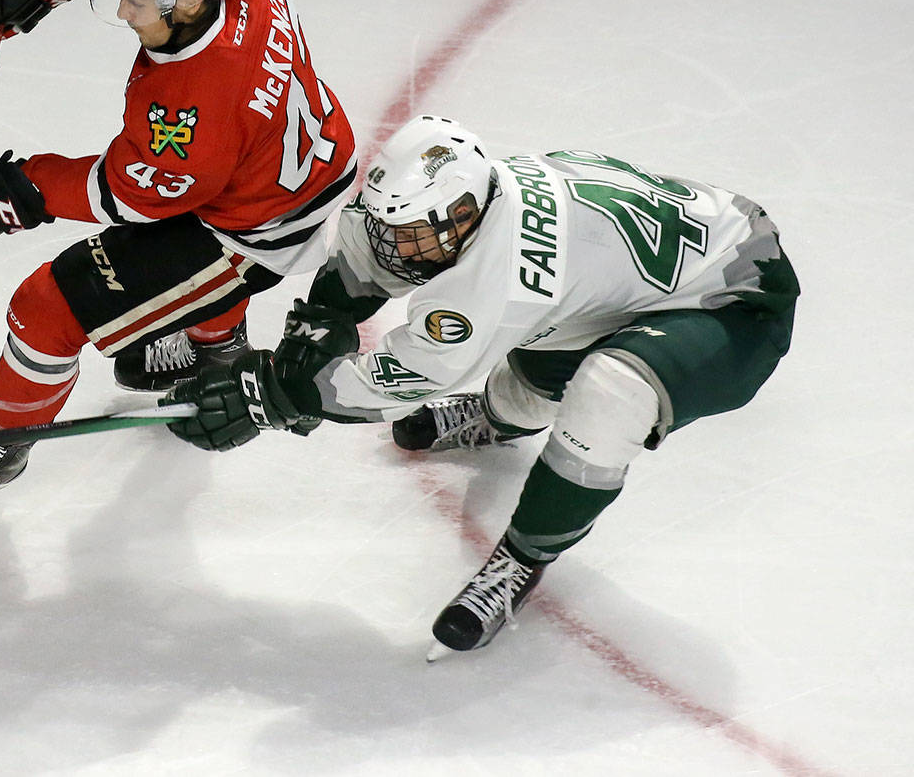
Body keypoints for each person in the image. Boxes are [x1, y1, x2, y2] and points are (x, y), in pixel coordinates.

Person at [164, 114, 799, 658]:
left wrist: (280, 395)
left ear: (463, 214)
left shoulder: (502, 272)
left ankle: (524, 556)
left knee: (610, 390)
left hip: (739, 299)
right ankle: (502, 416)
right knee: (546, 341)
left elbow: (403, 377)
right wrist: (314, 330)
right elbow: (367, 253)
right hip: (650, 275)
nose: (397, 245)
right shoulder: (455, 204)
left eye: (410, 234)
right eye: (392, 225)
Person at [0, 0, 357, 507]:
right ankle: (216, 351)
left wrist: (15, 193)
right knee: (190, 233)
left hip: (254, 230)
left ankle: (2, 444)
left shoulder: (194, 103)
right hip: (285, 167)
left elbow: (129, 197)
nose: (120, 11)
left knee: (45, 308)